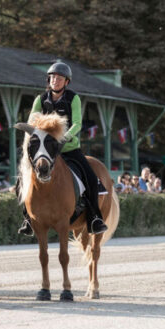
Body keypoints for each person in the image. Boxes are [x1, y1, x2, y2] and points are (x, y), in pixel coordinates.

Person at [18, 62, 108, 236]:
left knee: (90, 177)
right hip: (46, 151)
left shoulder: (73, 98)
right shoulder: (40, 99)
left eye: (59, 78)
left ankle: (95, 218)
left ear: (66, 82)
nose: (55, 81)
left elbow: (77, 124)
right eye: (52, 77)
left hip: (68, 149)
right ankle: (28, 219)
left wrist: (63, 138)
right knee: (22, 179)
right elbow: (32, 123)